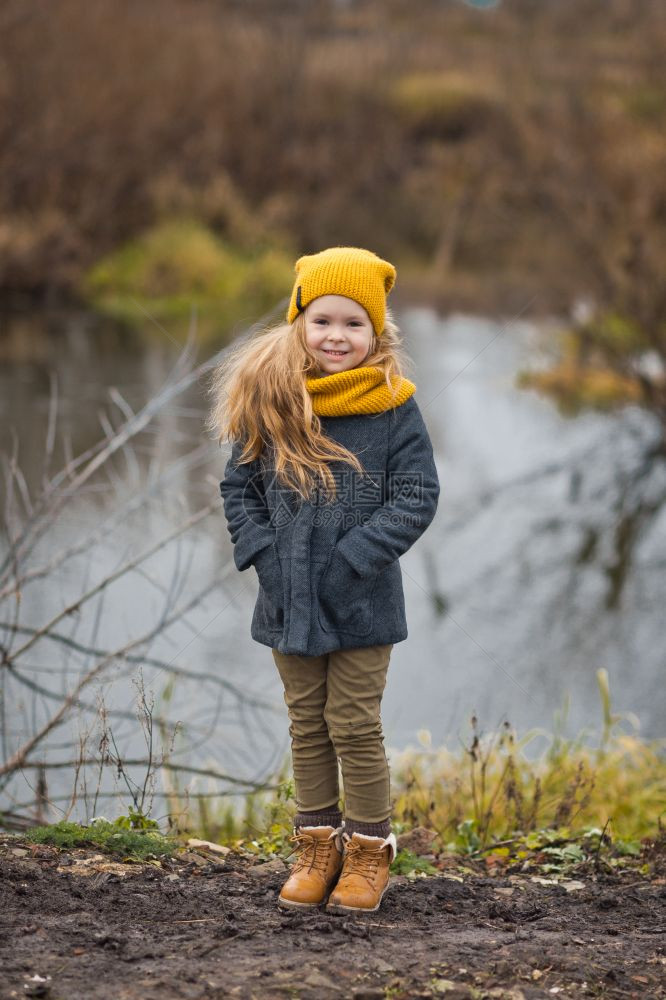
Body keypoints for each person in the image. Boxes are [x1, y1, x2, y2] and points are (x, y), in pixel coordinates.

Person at [209, 246, 440, 914]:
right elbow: (239, 486)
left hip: (363, 602)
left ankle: (369, 852)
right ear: (299, 323)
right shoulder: (274, 397)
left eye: (353, 324)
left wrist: (354, 557)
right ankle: (318, 845)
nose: (337, 336)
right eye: (323, 321)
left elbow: (416, 497)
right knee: (307, 723)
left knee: (354, 723)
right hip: (287, 598)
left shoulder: (393, 407)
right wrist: (263, 553)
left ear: (377, 334)